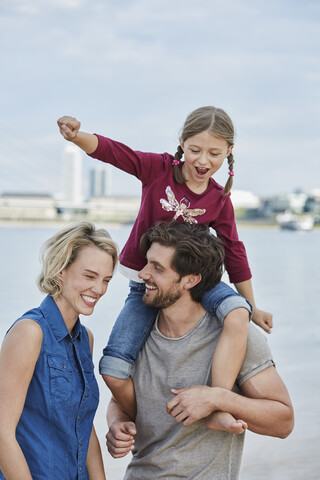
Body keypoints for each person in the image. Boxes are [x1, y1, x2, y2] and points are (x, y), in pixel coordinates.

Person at [57, 107, 271, 423]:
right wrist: (77, 137)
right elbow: (117, 153)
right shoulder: (159, 170)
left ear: (228, 151)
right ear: (182, 143)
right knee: (113, 367)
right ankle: (137, 422)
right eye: (195, 150)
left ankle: (216, 403)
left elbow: (235, 252)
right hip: (147, 284)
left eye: (214, 153)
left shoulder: (219, 199)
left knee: (239, 313)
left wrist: (253, 304)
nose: (203, 161)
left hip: (197, 285)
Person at [106, 222, 294, 480]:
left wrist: (217, 399)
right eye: (147, 263)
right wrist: (117, 424)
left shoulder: (235, 337)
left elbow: (283, 422)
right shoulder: (135, 336)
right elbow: (120, 401)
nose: (143, 274)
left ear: (191, 279)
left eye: (157, 268)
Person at [0, 222, 118, 480]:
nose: (98, 289)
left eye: (106, 280)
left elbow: (83, 428)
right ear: (60, 271)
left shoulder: (86, 339)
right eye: (89, 276)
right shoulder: (29, 333)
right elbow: (2, 433)